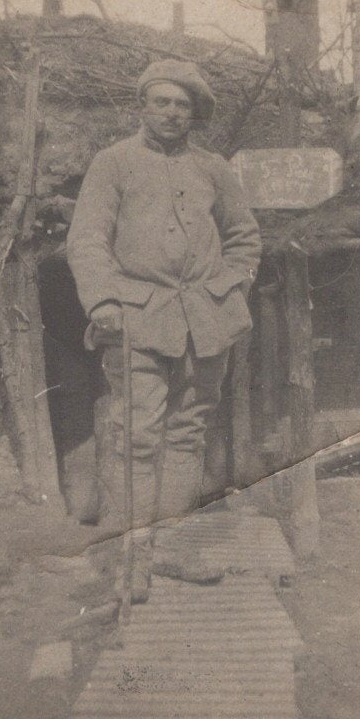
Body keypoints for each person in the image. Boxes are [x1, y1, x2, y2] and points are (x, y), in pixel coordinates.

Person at [67, 59, 261, 602]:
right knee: (136, 435)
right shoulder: (113, 163)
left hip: (206, 322)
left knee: (188, 432)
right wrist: (103, 299)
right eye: (162, 102)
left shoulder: (213, 169)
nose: (173, 113)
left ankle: (171, 548)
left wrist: (231, 290)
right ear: (143, 106)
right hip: (136, 319)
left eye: (183, 105)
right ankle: (131, 558)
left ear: (194, 113)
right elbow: (87, 239)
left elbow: (245, 239)